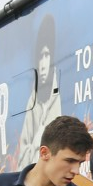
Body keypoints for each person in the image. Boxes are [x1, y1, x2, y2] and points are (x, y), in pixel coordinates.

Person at [18, 13, 63, 168]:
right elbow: (22, 155)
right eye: (40, 57)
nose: (43, 64)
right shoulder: (33, 101)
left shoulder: (59, 98)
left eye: (47, 55)